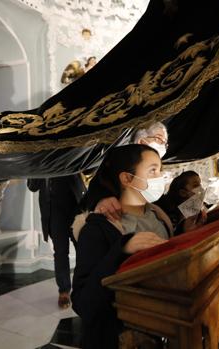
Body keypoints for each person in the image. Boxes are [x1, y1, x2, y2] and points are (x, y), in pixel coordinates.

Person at [71, 144, 170, 348]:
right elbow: (83, 303)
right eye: (153, 170)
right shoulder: (98, 229)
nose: (161, 177)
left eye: (160, 170)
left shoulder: (159, 217)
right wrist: (121, 249)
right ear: (127, 178)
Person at [82, 121, 169, 219]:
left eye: (165, 143)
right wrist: (101, 199)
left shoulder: (159, 169)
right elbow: (99, 184)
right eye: (159, 139)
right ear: (141, 141)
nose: (163, 146)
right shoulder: (119, 157)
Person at [27, 175, 86, 308]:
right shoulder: (40, 158)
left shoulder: (69, 153)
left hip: (76, 205)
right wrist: (37, 166)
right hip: (53, 210)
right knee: (60, 252)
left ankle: (84, 287)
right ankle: (64, 291)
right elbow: (32, 187)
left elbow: (88, 169)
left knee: (83, 249)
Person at [154, 170, 207, 235]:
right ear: (183, 193)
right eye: (195, 185)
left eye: (200, 184)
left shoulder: (198, 211)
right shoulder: (166, 214)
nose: (201, 189)